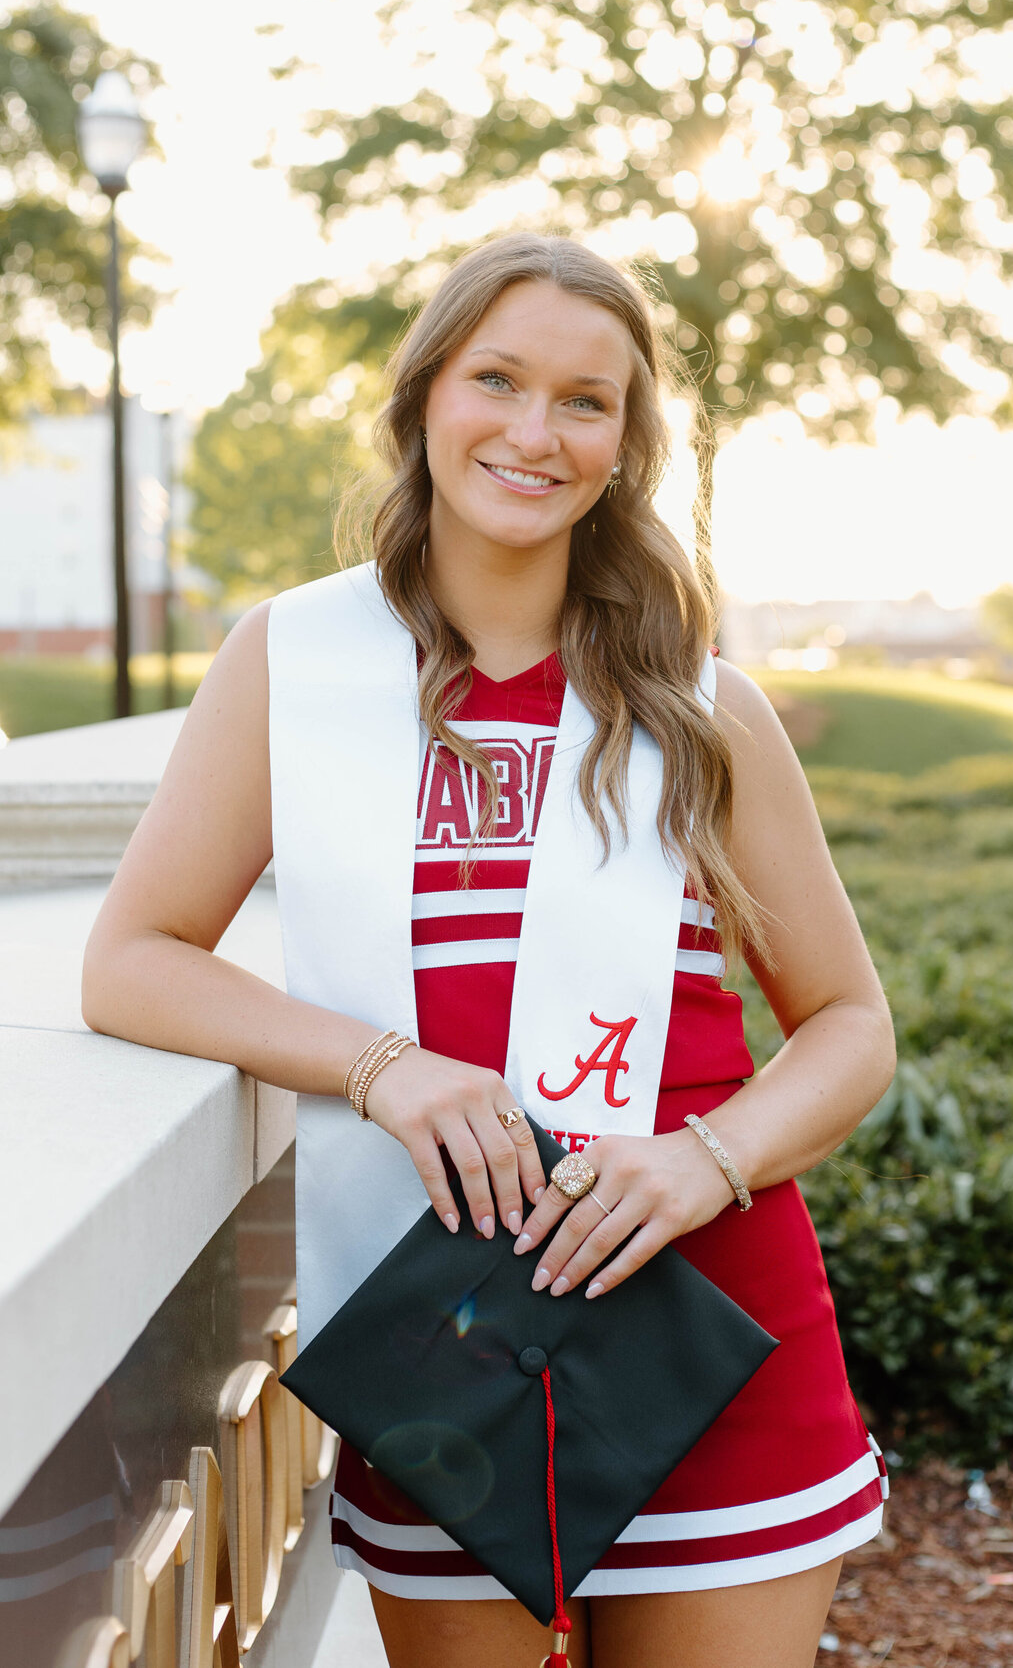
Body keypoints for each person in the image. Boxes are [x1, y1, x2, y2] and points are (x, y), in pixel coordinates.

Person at [82, 231, 896, 1668]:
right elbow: (134, 958)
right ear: (423, 399)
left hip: (709, 1320)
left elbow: (846, 1022)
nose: (535, 431)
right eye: (498, 380)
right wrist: (383, 1066)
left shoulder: (702, 709)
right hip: (441, 1339)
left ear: (626, 443)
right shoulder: (296, 666)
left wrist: (705, 1156)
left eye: (586, 400)